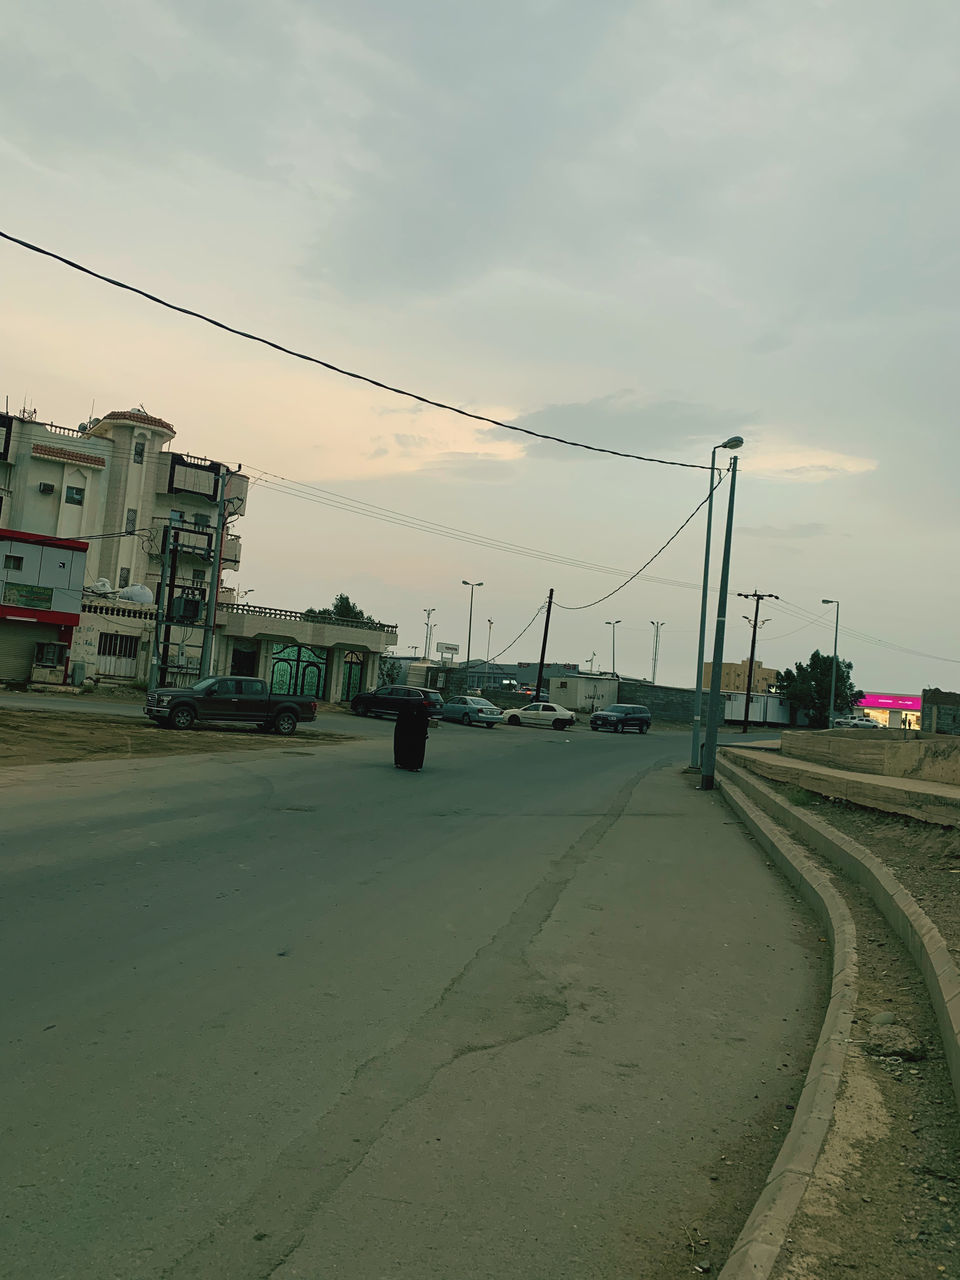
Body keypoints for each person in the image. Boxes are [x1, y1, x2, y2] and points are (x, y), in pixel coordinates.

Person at [394, 700, 431, 771]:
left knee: (402, 748)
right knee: (418, 751)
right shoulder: (422, 715)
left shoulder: (406, 714)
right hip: (420, 736)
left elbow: (405, 725)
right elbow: (424, 725)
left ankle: (403, 763)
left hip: (405, 734)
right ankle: (415, 765)